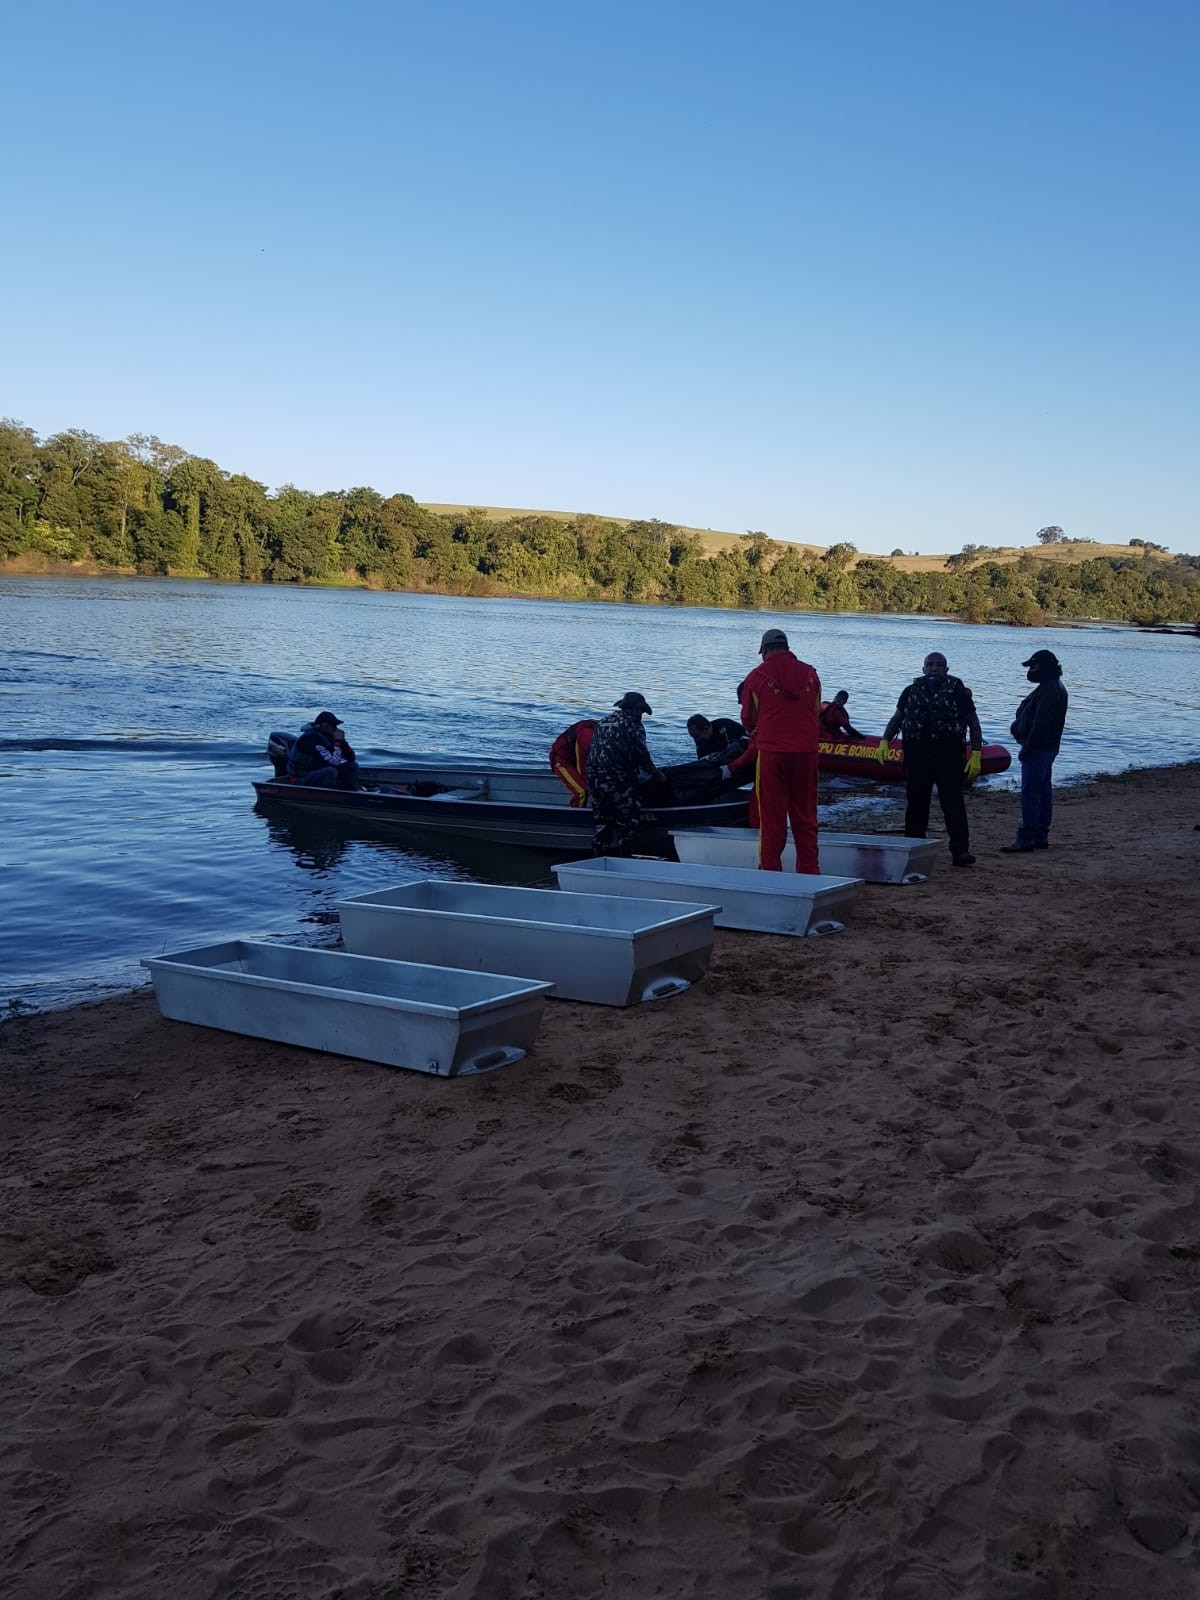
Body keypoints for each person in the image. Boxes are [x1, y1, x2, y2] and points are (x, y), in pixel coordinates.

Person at [879, 652, 982, 866]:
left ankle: (960, 851)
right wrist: (885, 741)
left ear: (946, 669)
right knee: (916, 803)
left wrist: (976, 753)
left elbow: (973, 722)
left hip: (949, 755)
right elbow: (898, 718)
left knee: (952, 803)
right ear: (923, 668)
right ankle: (914, 847)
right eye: (930, 665)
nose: (934, 668)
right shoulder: (910, 691)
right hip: (917, 755)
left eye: (939, 665)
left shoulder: (957, 691)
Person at [739, 628, 821, 873]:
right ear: (787, 647)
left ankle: (771, 871)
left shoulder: (756, 676)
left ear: (764, 650)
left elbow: (748, 719)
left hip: (773, 754)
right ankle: (809, 871)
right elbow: (815, 711)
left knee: (771, 818)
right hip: (806, 754)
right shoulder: (811, 674)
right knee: (805, 816)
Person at [1001, 649, 1068, 853]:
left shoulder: (1050, 690)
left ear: (1044, 667)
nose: (1030, 670)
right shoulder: (1050, 687)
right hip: (1046, 747)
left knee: (1031, 793)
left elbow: (1041, 724)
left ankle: (1027, 838)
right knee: (1043, 791)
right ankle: (1040, 835)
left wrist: (1026, 749)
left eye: (1033, 666)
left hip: (1039, 748)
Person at [585, 692, 667, 856]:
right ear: (637, 710)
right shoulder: (632, 725)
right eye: (642, 713)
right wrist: (658, 775)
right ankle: (625, 855)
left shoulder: (603, 721)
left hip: (593, 778)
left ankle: (599, 854)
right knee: (630, 816)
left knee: (602, 818)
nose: (642, 716)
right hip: (616, 779)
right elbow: (642, 757)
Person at [289, 711, 362, 790]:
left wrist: (343, 742)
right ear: (323, 725)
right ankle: (330, 795)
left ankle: (352, 790)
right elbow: (333, 763)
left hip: (318, 772)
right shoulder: (310, 740)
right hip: (302, 778)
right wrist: (338, 743)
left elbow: (351, 758)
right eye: (333, 726)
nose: (336, 728)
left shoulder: (327, 737)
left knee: (352, 766)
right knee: (330, 771)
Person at [549, 718, 597, 806]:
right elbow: (582, 764)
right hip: (562, 760)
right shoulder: (587, 735)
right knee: (582, 791)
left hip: (577, 757)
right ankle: (575, 816)